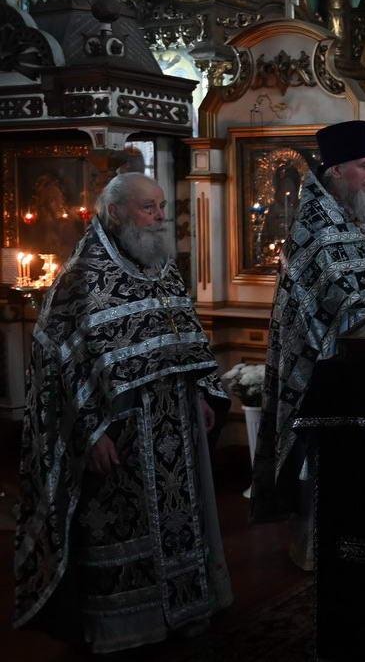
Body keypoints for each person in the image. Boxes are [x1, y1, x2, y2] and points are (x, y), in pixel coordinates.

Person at [14, 172, 231, 653]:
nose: (160, 217)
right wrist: (90, 433)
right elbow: (60, 365)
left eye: (161, 207)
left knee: (180, 521)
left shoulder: (163, 267)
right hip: (121, 431)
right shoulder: (81, 277)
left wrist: (199, 391)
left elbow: (184, 338)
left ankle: (186, 610)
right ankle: (131, 628)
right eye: (148, 208)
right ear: (115, 213)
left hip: (175, 423)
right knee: (124, 526)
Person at [252, 120, 365, 569]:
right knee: (333, 457)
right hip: (332, 370)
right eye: (364, 165)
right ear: (338, 169)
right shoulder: (315, 226)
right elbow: (327, 302)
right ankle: (321, 547)